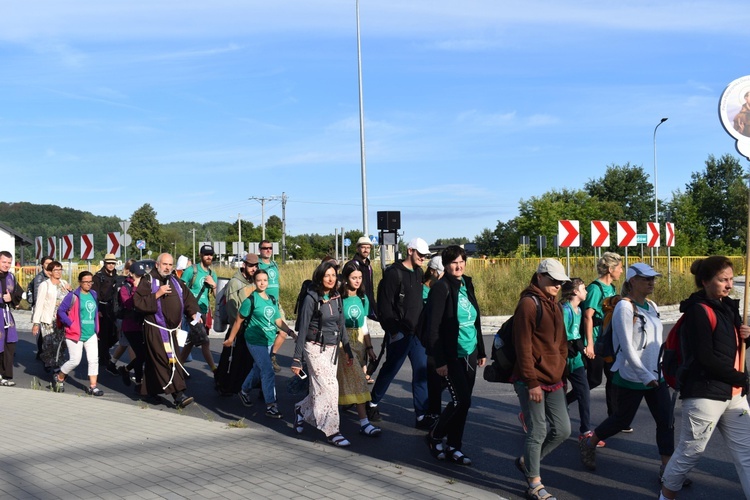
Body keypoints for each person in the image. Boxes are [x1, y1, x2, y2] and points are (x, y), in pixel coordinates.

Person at [660, 256, 750, 499]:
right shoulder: (698, 311)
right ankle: (665, 495)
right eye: (723, 280)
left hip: (733, 395)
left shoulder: (729, 307)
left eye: (731, 279)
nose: (730, 285)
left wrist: (746, 337)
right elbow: (705, 358)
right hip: (704, 394)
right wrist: (741, 379)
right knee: (690, 453)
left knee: (747, 453)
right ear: (705, 281)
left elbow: (731, 349)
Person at [579, 263, 675, 482]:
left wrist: (661, 370)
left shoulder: (651, 305)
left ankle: (668, 469)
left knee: (666, 420)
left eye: (653, 278)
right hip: (631, 375)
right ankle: (589, 443)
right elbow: (627, 346)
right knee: (621, 420)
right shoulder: (624, 307)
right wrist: (644, 375)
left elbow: (655, 342)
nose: (651, 282)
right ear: (632, 281)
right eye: (645, 279)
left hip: (655, 375)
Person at [512, 258, 571, 500]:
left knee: (563, 430)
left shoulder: (555, 304)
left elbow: (562, 343)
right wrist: (532, 382)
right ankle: (534, 484)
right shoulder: (528, 303)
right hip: (532, 379)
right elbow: (522, 346)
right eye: (553, 280)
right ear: (539, 277)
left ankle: (528, 461)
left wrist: (561, 369)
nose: (557, 285)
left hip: (554, 378)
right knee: (537, 430)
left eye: (561, 282)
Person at [423, 246, 486, 466]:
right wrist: (439, 360)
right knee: (461, 400)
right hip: (451, 354)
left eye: (461, 262)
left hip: (470, 351)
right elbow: (433, 328)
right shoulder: (441, 288)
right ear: (446, 265)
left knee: (464, 404)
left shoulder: (467, 283)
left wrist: (481, 349)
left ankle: (454, 446)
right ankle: (434, 435)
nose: (458, 266)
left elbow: (475, 317)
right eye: (453, 262)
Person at [368, 237, 432, 429]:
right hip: (400, 333)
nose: (423, 258)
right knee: (390, 369)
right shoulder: (393, 274)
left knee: (421, 372)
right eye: (420, 254)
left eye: (425, 255)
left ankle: (421, 415)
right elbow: (385, 306)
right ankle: (372, 403)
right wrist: (393, 331)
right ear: (410, 250)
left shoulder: (419, 272)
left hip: (417, 334)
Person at [291, 260, 353, 447]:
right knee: (330, 388)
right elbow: (302, 329)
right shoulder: (312, 298)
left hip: (332, 349)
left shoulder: (336, 296)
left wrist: (348, 350)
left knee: (321, 389)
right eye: (327, 275)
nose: (331, 278)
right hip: (314, 348)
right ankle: (332, 430)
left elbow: (340, 325)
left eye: (334, 275)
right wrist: (296, 359)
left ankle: (301, 410)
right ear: (319, 276)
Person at [223, 269, 295, 418]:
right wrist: (231, 338)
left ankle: (244, 391)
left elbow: (277, 321)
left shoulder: (271, 300)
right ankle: (271, 405)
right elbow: (238, 321)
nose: (262, 283)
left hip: (268, 339)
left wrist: (290, 332)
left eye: (265, 280)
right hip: (255, 341)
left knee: (258, 368)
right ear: (254, 282)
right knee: (268, 370)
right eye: (259, 280)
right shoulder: (250, 301)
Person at [133, 253, 200, 409]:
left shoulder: (175, 280)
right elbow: (138, 302)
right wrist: (157, 294)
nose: (168, 267)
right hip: (155, 327)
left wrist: (194, 312)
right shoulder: (148, 281)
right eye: (165, 264)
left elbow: (188, 298)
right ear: (157, 264)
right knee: (166, 359)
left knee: (154, 361)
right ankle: (178, 395)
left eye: (170, 265)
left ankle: (148, 391)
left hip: (172, 329)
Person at [337, 261, 381, 437]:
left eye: (360, 278)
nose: (357, 281)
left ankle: (312, 411)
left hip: (360, 343)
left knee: (347, 382)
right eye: (353, 277)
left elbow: (364, 324)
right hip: (343, 344)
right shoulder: (339, 298)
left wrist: (369, 347)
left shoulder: (363, 298)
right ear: (346, 279)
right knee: (359, 380)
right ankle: (364, 423)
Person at [582, 251, 624, 426]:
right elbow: (587, 316)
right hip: (596, 341)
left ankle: (614, 418)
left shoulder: (612, 288)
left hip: (608, 340)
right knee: (593, 380)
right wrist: (589, 344)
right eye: (620, 268)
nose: (622, 271)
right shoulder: (595, 288)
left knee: (613, 378)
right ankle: (559, 404)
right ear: (610, 269)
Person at [561, 278, 598, 446]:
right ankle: (529, 414)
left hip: (575, 359)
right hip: (562, 359)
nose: (587, 292)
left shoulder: (577, 310)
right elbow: (561, 335)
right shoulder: (565, 310)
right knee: (553, 393)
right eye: (584, 289)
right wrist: (578, 345)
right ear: (575, 292)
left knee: (583, 391)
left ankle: (585, 431)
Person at [54, 271, 104, 396]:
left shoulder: (93, 294)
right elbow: (61, 311)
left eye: (90, 282)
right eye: (86, 282)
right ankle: (60, 377)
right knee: (75, 361)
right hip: (75, 333)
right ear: (80, 282)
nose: (89, 284)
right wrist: (70, 323)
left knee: (93, 360)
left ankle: (93, 386)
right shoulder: (73, 296)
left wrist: (96, 327)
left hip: (91, 333)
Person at [215, 252, 258, 396]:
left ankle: (237, 386)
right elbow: (232, 309)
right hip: (237, 328)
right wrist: (238, 328)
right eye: (251, 266)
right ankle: (223, 386)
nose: (253, 268)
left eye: (256, 266)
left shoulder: (253, 281)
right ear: (244, 265)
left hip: (248, 328)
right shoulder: (235, 282)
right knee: (229, 360)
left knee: (244, 360)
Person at [178, 244, 218, 372]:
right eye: (206, 254)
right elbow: (180, 289)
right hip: (192, 312)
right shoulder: (192, 270)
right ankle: (214, 370)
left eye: (210, 254)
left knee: (190, 342)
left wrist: (214, 285)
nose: (208, 257)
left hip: (203, 312)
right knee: (205, 341)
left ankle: (178, 368)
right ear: (201, 255)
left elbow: (217, 296)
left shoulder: (212, 273)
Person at [31, 260, 70, 372]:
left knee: (61, 343)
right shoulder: (45, 285)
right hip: (49, 318)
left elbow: (71, 300)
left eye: (60, 269)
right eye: (55, 270)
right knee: (49, 344)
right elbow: (39, 304)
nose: (58, 272)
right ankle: (50, 363)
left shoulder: (64, 283)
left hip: (62, 318)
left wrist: (70, 290)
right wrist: (36, 323)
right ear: (50, 272)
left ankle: (58, 364)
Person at [117, 261, 148, 391]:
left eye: (142, 276)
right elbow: (130, 304)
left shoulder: (146, 285)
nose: (140, 278)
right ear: (131, 274)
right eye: (137, 275)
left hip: (143, 325)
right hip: (130, 326)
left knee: (145, 354)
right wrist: (136, 288)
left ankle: (126, 369)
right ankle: (139, 383)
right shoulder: (125, 288)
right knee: (141, 354)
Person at [258, 239, 288, 373]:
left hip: (276, 303)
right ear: (260, 250)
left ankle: (272, 355)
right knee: (266, 334)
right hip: (264, 303)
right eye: (265, 248)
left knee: (283, 331)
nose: (268, 250)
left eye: (270, 248)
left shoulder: (274, 264)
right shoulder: (258, 265)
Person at [423, 254, 446, 417]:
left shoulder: (443, 288)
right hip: (426, 337)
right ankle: (432, 411)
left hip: (441, 337)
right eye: (441, 272)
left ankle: (432, 408)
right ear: (432, 271)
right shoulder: (422, 290)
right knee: (432, 376)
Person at [92, 253, 119, 370]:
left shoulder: (116, 275)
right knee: (104, 334)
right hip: (102, 307)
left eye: (113, 263)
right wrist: (96, 310)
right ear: (105, 263)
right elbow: (94, 295)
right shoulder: (98, 277)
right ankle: (103, 357)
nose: (111, 265)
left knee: (116, 333)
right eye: (109, 263)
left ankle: (103, 350)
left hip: (113, 307)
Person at [0, 250, 23, 386]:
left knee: (9, 344)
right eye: (4, 262)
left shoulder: (11, 277)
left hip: (7, 315)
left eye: (9, 263)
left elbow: (18, 293)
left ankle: (5, 374)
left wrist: (11, 298)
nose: (6, 265)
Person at [347, 236, 377, 320]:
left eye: (368, 248)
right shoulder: (352, 265)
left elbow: (370, 288)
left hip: (367, 303)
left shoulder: (369, 267)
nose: (366, 250)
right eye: (363, 247)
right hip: (355, 303)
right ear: (357, 248)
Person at [28, 255, 52, 361]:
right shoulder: (40, 278)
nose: (49, 265)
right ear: (42, 264)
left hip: (50, 308)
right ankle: (41, 352)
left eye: (50, 263)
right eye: (46, 263)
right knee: (42, 332)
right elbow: (38, 297)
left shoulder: (52, 276)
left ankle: (46, 352)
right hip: (41, 308)